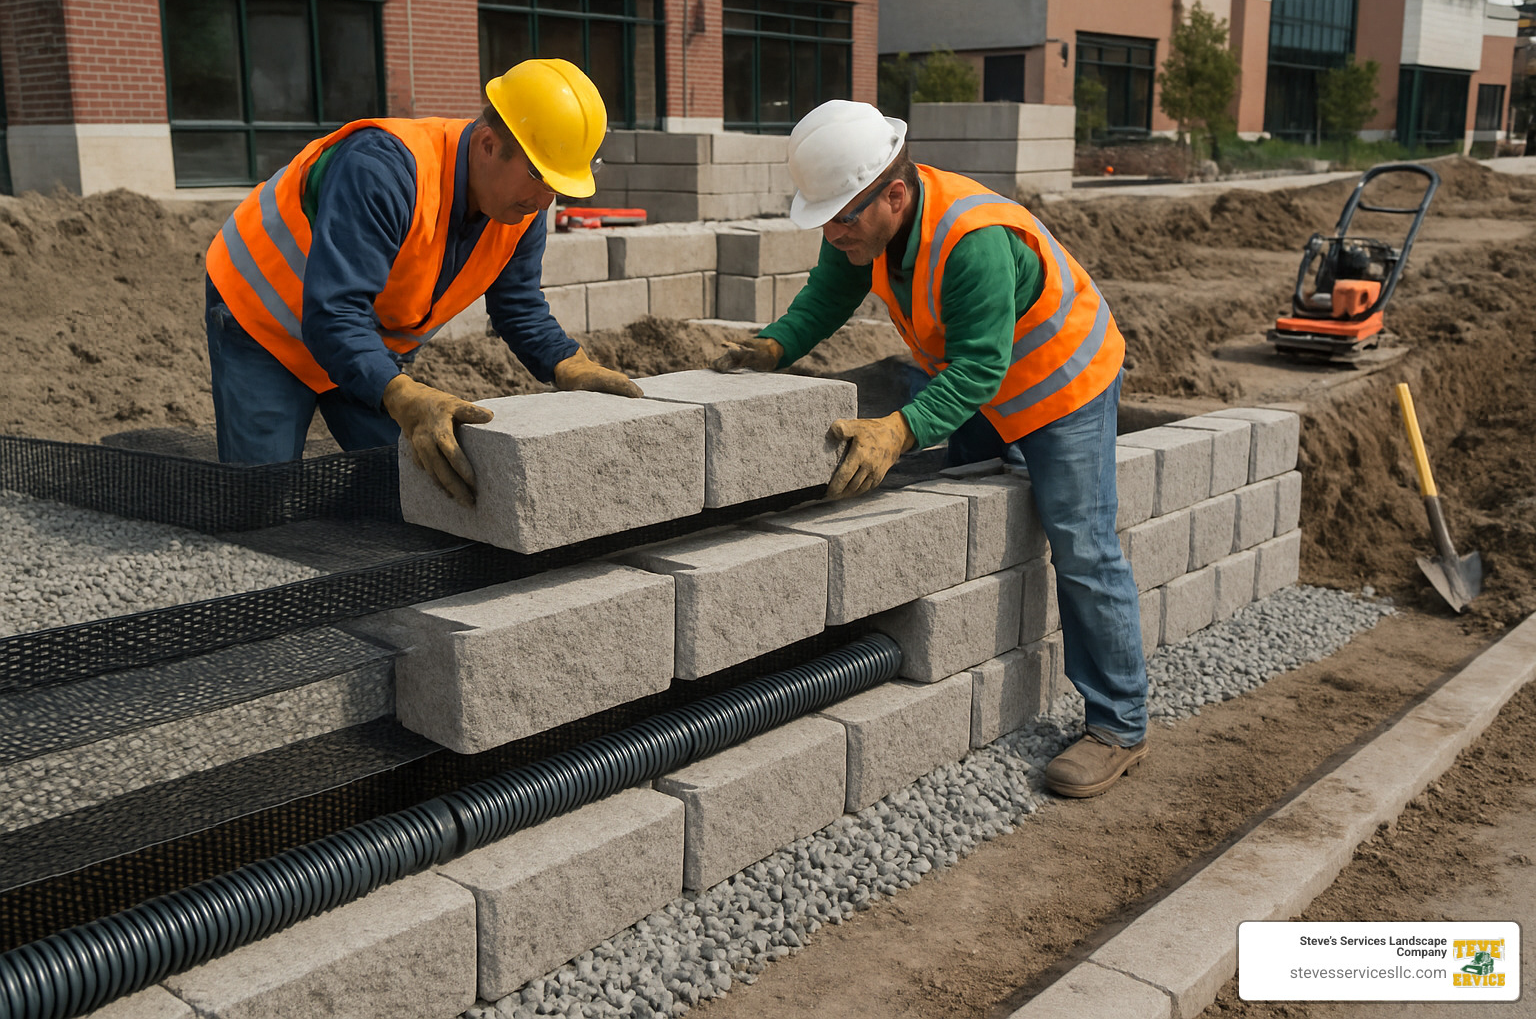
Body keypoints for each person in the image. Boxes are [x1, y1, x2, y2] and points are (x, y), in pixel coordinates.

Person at [712, 100, 1147, 798]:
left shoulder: (971, 240)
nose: (833, 231)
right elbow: (829, 294)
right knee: (958, 493)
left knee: (1083, 548)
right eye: (825, 216)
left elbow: (979, 369)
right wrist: (775, 345)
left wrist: (899, 429)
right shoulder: (864, 225)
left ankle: (1119, 725)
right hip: (984, 382)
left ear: (894, 192)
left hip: (1062, 384)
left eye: (842, 217)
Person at [204, 58, 640, 506]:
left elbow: (518, 303)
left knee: (413, 498)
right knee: (260, 505)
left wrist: (566, 362)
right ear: (489, 144)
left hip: (358, 342)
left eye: (557, 184)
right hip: (264, 322)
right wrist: (399, 393)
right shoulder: (384, 170)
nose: (547, 198)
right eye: (538, 176)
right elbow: (333, 314)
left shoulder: (521, 206)